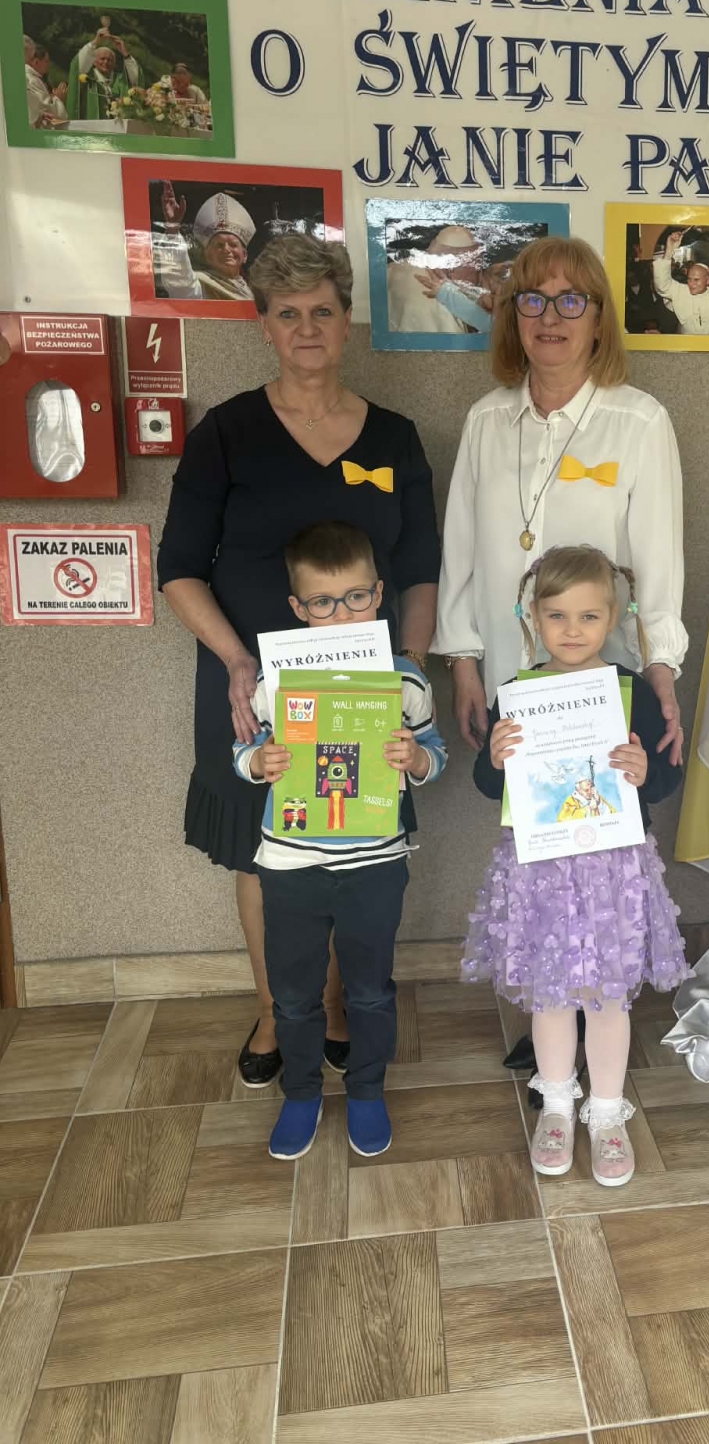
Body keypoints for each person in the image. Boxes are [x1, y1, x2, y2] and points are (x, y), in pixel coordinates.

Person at [158, 234, 439, 1087]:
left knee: (353, 844)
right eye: (288, 313)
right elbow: (178, 568)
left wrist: (410, 670)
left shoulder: (394, 438)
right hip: (253, 689)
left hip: (364, 691)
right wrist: (236, 662)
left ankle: (340, 1005)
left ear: (348, 321)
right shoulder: (226, 433)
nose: (307, 328)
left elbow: (421, 569)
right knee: (264, 851)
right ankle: (278, 1011)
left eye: (322, 310)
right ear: (265, 326)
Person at [434, 232, 687, 1084]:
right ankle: (550, 1011)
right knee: (536, 850)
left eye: (571, 299)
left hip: (605, 685)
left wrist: (662, 670)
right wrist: (464, 661)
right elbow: (461, 551)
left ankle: (600, 1008)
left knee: (605, 852)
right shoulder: (486, 419)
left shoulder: (637, 420)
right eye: (532, 299)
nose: (551, 316)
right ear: (512, 316)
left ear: (599, 318)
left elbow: (658, 563)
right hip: (520, 679)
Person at [465, 545, 690, 1186]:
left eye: (588, 617)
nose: (572, 630)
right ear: (533, 617)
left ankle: (608, 1113)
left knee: (608, 996)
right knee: (552, 994)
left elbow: (664, 777)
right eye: (557, 615)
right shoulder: (516, 695)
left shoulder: (633, 693)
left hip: (613, 870)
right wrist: (495, 759)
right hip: (541, 871)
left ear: (611, 618)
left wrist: (644, 772)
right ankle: (558, 1106)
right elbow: (489, 785)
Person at [233, 520, 447, 1160]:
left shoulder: (404, 680)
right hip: (290, 863)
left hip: (375, 862)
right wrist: (258, 762)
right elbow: (242, 752)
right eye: (323, 603)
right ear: (298, 608)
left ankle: (366, 1090)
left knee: (371, 989)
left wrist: (415, 759)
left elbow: (434, 754)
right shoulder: (274, 684)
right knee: (293, 993)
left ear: (378, 595)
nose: (342, 614)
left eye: (355, 597)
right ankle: (301, 1093)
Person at [152, 185, 259, 301]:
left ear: (245, 255)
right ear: (207, 255)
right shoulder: (201, 284)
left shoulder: (256, 289)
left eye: (233, 245)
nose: (226, 249)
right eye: (219, 245)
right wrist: (173, 228)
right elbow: (181, 283)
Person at [386, 224, 483, 335]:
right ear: (451, 270)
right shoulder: (445, 308)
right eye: (477, 269)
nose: (480, 279)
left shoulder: (394, 268)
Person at [650, 232, 709, 335]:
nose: (691, 284)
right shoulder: (681, 291)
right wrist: (669, 251)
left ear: (707, 281)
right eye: (689, 279)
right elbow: (662, 285)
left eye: (696, 280)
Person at [66, 24, 140, 119]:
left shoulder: (120, 81)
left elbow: (135, 78)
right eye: (102, 59)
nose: (106, 62)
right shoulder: (88, 79)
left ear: (114, 64)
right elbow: (79, 64)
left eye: (110, 60)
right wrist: (96, 41)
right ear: (94, 62)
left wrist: (125, 53)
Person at [25, 42, 66, 128]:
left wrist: (52, 97)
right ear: (36, 62)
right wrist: (57, 98)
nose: (48, 64)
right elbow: (46, 109)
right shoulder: (31, 80)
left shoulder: (35, 78)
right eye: (46, 61)